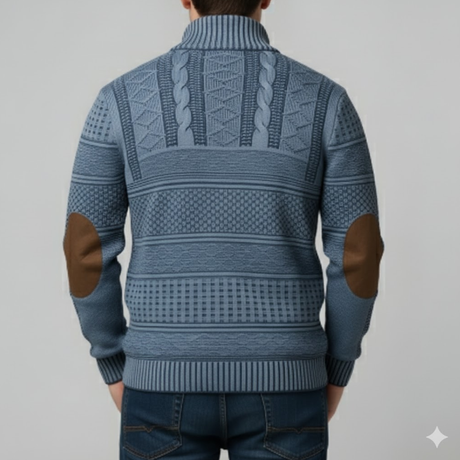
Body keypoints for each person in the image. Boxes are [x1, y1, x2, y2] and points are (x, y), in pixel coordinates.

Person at [62, 1, 385, 458]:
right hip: (289, 383)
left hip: (159, 383)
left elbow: (84, 249)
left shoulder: (118, 101)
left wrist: (113, 363)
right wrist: (337, 368)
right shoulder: (326, 102)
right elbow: (359, 252)